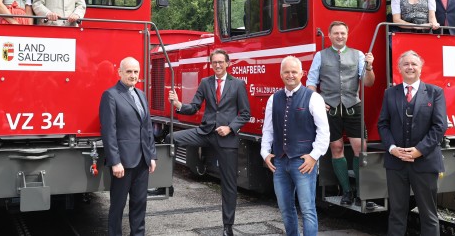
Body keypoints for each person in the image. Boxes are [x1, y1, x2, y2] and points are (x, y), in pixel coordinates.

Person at [168, 49, 250, 236]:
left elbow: (245, 114)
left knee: (229, 184)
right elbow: (195, 106)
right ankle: (166, 182)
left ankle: (228, 227)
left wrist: (230, 127)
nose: (218, 65)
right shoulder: (205, 83)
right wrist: (179, 105)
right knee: (171, 138)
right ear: (211, 64)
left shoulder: (237, 84)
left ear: (227, 63)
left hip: (227, 137)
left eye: (221, 62)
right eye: (214, 62)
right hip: (205, 132)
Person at [377, 50, 447, 236]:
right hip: (396, 164)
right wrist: (392, 149)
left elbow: (440, 127)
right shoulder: (390, 93)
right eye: (406, 64)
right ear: (399, 68)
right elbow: (383, 124)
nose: (410, 67)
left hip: (425, 163)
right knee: (396, 214)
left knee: (429, 215)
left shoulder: (435, 93)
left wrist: (419, 150)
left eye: (414, 64)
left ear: (421, 68)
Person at [306, 21, 374, 207]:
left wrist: (369, 67)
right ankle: (346, 191)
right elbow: (311, 82)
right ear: (329, 35)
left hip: (353, 106)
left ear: (347, 34)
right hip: (330, 108)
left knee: (361, 148)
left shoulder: (358, 55)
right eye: (336, 33)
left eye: (343, 33)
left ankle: (361, 193)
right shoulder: (320, 56)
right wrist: (317, 101)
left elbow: (368, 82)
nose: (340, 36)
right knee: (336, 148)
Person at [261, 56, 329, 236]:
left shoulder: (313, 97)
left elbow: (324, 132)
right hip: (280, 163)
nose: (290, 75)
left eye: (294, 72)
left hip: (303, 162)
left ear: (301, 74)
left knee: (308, 210)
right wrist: (265, 153)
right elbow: (267, 129)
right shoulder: (273, 99)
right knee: (285, 209)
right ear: (281, 74)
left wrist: (314, 156)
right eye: (286, 72)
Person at [100, 57, 157, 236]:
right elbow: (109, 131)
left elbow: (147, 127)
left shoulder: (140, 94)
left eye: (136, 72)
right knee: (117, 206)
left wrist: (152, 155)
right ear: (120, 72)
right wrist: (115, 161)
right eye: (129, 72)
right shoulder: (110, 95)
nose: (133, 75)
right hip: (123, 163)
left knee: (140, 204)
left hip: (142, 161)